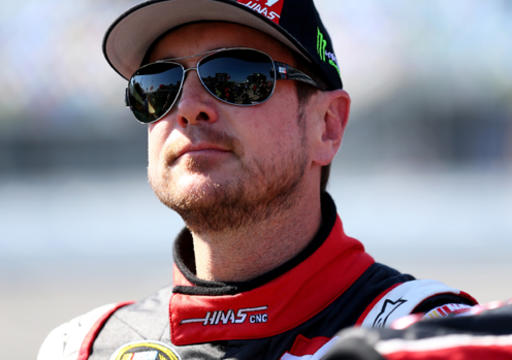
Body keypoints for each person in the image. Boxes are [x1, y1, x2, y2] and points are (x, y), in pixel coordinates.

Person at [37, 1, 476, 359]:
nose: (189, 107)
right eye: (158, 85)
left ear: (327, 125)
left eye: (237, 77)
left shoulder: (426, 336)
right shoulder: (80, 347)